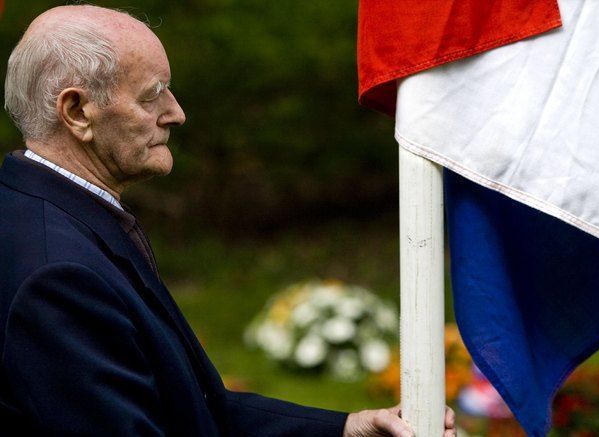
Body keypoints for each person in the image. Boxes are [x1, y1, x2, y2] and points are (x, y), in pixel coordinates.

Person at [0, 5, 456, 436]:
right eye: (152, 95)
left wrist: (345, 427)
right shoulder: (58, 275)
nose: (176, 113)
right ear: (77, 111)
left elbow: (189, 406)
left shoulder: (50, 214)